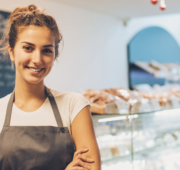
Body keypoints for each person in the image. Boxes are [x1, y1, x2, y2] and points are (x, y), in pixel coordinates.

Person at [0, 4, 101, 170]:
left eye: (46, 50)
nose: (37, 59)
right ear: (11, 51)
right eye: (28, 48)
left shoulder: (74, 105)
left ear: (55, 56)